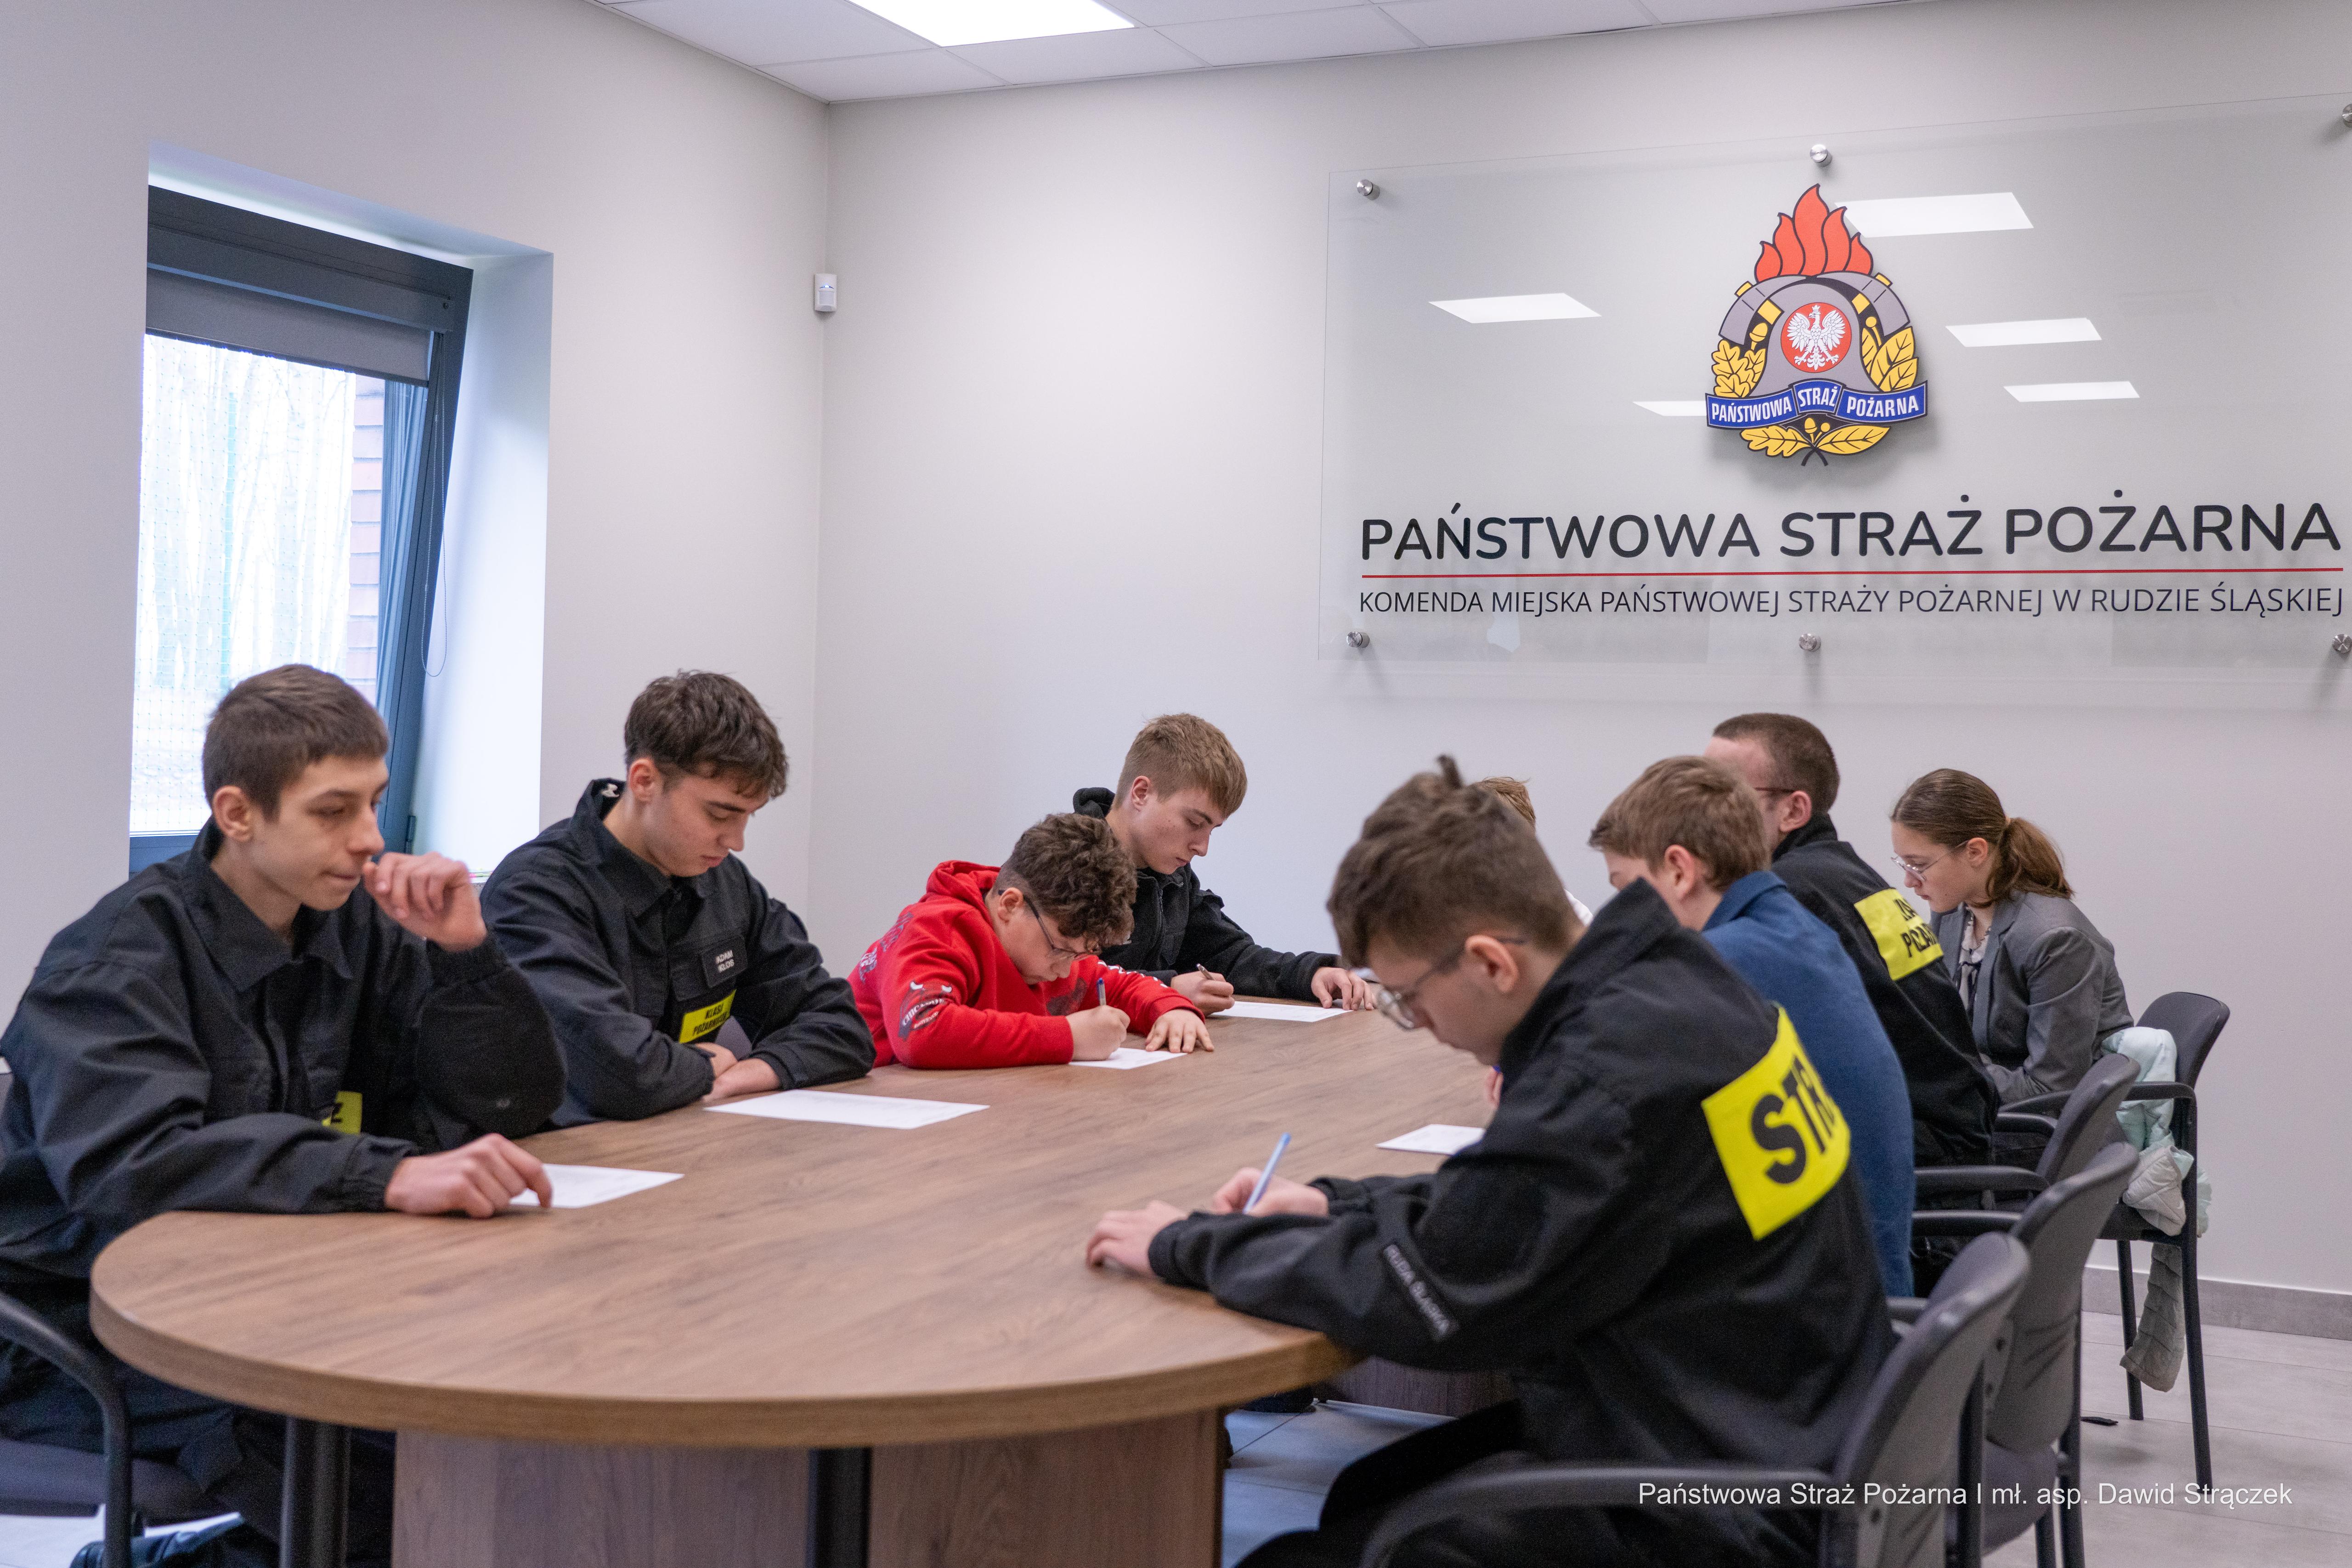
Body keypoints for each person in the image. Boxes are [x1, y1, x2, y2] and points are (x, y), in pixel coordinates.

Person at [1087, 758, 1889, 1568]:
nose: (1420, 1024)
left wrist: (1188, 1245)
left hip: (1717, 1510)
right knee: (1371, 1490)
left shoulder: (1604, 1075)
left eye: (1410, 998)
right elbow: (1508, 1207)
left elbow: (1432, 1293)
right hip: (1777, 1429)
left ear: (1490, 963)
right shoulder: (1674, 984)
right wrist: (1338, 1205)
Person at [0, 665, 565, 1568]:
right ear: (238, 812)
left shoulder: (357, 927)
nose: (370, 837)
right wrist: (380, 1172)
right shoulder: (115, 960)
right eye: (333, 810)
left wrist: (466, 955)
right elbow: (133, 1170)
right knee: (368, 1454)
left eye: (374, 802)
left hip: (272, 1284)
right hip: (80, 1322)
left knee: (478, 1419)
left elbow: (506, 1106)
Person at [1589, 756, 1916, 1295]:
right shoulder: (1792, 927)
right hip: (1860, 1277)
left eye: (1626, 889)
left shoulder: (1721, 961)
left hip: (1820, 1301)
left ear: (1678, 870)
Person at [483, 671, 870, 1121]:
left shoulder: (724, 881)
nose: (736, 841)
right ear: (645, 781)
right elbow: (621, 1074)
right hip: (559, 1154)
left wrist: (750, 1072)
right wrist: (704, 1067)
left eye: (749, 816)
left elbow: (842, 1027)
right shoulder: (533, 893)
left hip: (683, 1138)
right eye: (719, 813)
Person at [1706, 713, 1997, 1166]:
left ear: (1793, 810)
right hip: (1954, 1126)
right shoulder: (1843, 874)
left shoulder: (1791, 894)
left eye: (1722, 792)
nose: (1700, 809)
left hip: (1924, 1150)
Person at [853, 813, 1209, 1068]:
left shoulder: (1051, 943)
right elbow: (922, 1031)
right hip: (870, 1104)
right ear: (1010, 905)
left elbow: (1118, 985)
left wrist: (1172, 1008)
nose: (1064, 971)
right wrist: (1067, 1038)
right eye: (1059, 950)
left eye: (1079, 955)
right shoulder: (937, 930)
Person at [1072, 714, 1369, 1014]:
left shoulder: (1174, 877)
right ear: (1141, 794)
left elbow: (1230, 955)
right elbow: (1061, 982)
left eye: (1212, 829)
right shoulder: (1064, 867)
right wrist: (1166, 989)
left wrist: (1308, 974)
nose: (1202, 848)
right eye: (1194, 822)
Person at [1890, 769, 2131, 1104]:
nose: (1909, 881)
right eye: (1903, 864)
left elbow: (2052, 1091)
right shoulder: (1953, 914)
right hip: (1988, 1107)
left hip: (2043, 1124)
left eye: (1918, 865)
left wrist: (1943, 1066)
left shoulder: (2056, 940)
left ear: (1976, 851)